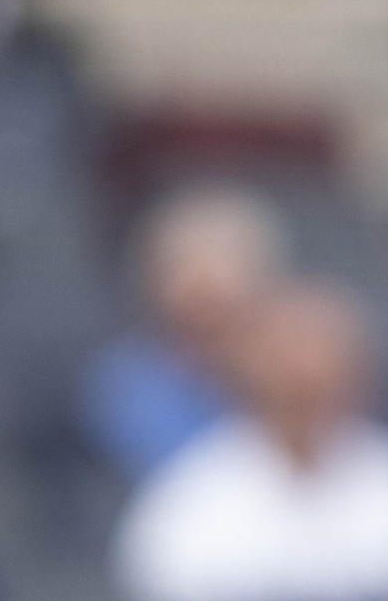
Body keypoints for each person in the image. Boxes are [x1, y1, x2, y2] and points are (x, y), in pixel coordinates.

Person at [111, 279, 388, 601]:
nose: (303, 376)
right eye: (284, 361)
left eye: (322, 360)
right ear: (244, 372)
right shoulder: (186, 503)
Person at [83, 185, 288, 481]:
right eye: (184, 267)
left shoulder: (301, 370)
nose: (204, 285)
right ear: (151, 279)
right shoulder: (122, 386)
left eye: (224, 263)